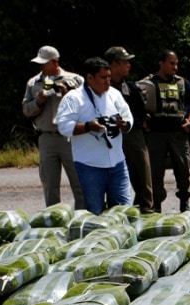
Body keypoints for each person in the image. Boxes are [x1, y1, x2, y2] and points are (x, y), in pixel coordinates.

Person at [54, 57, 133, 214]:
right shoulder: (73, 98)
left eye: (109, 77)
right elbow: (63, 126)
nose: (108, 81)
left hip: (117, 162)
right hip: (90, 165)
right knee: (94, 212)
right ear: (90, 78)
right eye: (103, 77)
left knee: (124, 210)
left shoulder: (115, 94)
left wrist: (125, 125)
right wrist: (89, 126)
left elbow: (128, 116)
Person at [22, 45, 85, 209]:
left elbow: (86, 107)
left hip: (71, 137)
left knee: (79, 183)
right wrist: (39, 100)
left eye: (44, 63)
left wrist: (68, 95)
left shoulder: (75, 80)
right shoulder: (34, 83)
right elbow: (26, 110)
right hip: (46, 137)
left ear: (55, 62)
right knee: (49, 185)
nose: (41, 66)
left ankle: (83, 217)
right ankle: (53, 219)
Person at [139, 49, 190, 213]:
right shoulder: (148, 83)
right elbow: (137, 103)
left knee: (183, 169)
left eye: (176, 63)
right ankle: (156, 204)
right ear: (161, 63)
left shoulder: (181, 82)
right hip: (156, 133)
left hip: (178, 133)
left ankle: (184, 202)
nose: (175, 67)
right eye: (171, 63)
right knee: (155, 170)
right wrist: (143, 122)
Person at [104, 46, 153, 213]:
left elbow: (141, 113)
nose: (129, 66)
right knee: (113, 174)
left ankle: (146, 208)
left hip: (134, 135)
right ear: (114, 64)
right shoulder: (102, 87)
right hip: (110, 136)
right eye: (125, 62)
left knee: (142, 171)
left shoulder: (131, 88)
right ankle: (115, 210)